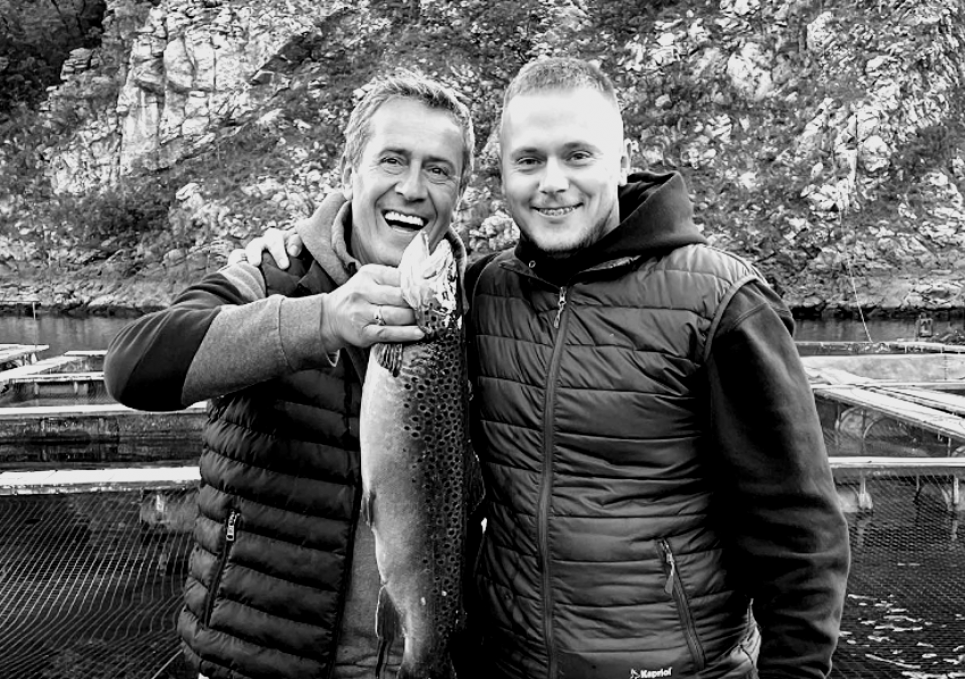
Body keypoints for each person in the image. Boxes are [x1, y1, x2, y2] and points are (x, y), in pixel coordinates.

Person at [247, 57, 851, 679]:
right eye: (529, 160)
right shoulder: (483, 291)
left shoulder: (722, 302)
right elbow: (371, 295)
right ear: (504, 176)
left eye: (577, 155)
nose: (553, 182)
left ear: (621, 162)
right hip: (505, 665)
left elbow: (798, 531)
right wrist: (298, 244)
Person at [103, 70, 477, 679]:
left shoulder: (480, 308)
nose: (412, 188)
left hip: (413, 653)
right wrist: (320, 320)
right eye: (392, 160)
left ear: (460, 191)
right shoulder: (271, 275)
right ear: (350, 170)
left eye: (438, 170)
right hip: (255, 660)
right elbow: (132, 367)